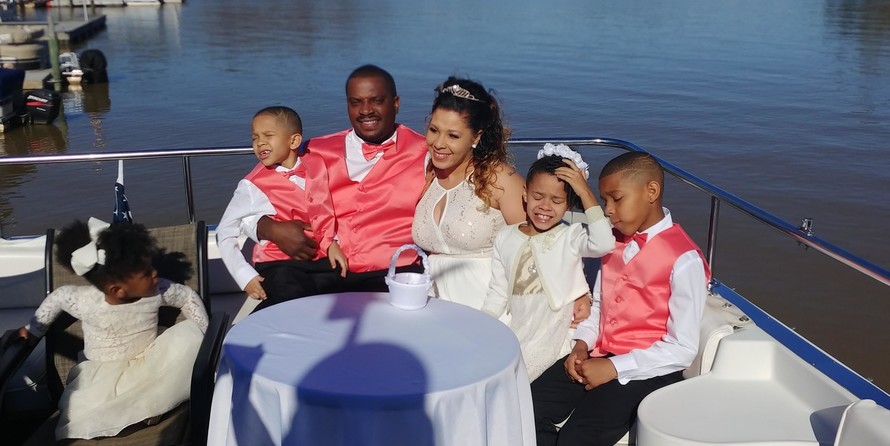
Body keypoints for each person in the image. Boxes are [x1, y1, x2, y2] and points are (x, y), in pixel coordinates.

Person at [531, 152, 710, 446]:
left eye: (616, 199)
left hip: (648, 370)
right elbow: (599, 307)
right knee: (527, 406)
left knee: (579, 437)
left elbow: (683, 348)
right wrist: (581, 345)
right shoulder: (612, 242)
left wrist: (614, 368)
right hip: (598, 352)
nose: (608, 210)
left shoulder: (684, 258)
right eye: (605, 201)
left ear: (651, 192)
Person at [17, 218, 208, 440]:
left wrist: (205, 330)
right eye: (146, 273)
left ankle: (147, 408)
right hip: (102, 376)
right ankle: (142, 411)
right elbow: (57, 298)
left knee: (190, 340)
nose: (155, 273)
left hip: (150, 360)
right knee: (85, 411)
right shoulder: (85, 300)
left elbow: (187, 296)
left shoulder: (158, 290)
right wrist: (34, 329)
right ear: (117, 290)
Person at [247, 65, 427, 294]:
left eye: (376, 101)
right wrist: (269, 228)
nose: (366, 110)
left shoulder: (427, 153)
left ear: (396, 103)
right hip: (322, 269)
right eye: (356, 102)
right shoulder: (311, 150)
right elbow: (250, 197)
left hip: (393, 273)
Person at [482, 144, 615, 381]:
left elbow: (604, 243)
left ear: (569, 205)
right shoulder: (505, 236)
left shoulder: (571, 235)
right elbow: (498, 291)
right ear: (525, 193)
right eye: (537, 196)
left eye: (557, 200)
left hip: (556, 326)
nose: (545, 206)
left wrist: (585, 193)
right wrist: (483, 322)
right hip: (519, 323)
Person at [411, 76, 525, 311]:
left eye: (453, 136)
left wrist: (573, 293)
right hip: (434, 304)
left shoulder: (499, 178)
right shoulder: (428, 172)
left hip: (491, 306)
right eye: (434, 130)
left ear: (476, 137)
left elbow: (537, 245)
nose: (438, 143)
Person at [216, 106, 345, 311]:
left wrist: (332, 243)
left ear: (293, 141)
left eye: (268, 135)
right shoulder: (251, 185)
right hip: (279, 264)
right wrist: (244, 276)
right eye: (255, 138)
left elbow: (327, 211)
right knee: (290, 302)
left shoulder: (318, 165)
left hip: (320, 258)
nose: (260, 143)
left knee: (340, 300)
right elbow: (224, 231)